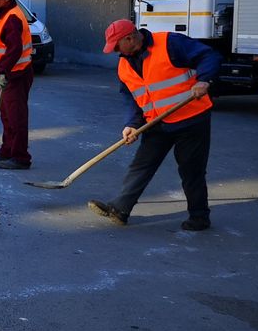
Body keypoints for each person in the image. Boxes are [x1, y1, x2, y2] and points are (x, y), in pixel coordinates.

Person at [87, 19, 221, 231]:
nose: (115, 51)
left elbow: (209, 55)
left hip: (191, 119)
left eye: (116, 46)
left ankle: (199, 216)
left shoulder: (170, 43)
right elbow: (132, 98)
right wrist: (132, 124)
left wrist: (204, 80)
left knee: (191, 170)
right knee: (142, 165)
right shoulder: (124, 65)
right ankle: (120, 209)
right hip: (157, 123)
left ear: (130, 38)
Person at [0, 0, 33, 169]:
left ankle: (20, 156)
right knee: (6, 116)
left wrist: (3, 71)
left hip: (14, 75)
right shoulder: (4, 14)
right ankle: (7, 150)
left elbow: (15, 50)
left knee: (16, 117)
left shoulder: (13, 18)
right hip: (7, 75)